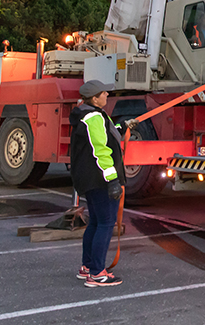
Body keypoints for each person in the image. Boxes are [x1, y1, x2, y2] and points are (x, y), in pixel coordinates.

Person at [70, 79, 125, 287]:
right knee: (105, 223)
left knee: (95, 222)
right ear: (94, 98)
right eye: (104, 93)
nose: (107, 95)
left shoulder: (86, 114)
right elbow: (100, 149)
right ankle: (97, 274)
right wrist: (112, 180)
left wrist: (121, 126)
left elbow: (105, 135)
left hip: (89, 178)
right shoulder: (93, 117)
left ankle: (88, 267)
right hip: (99, 179)